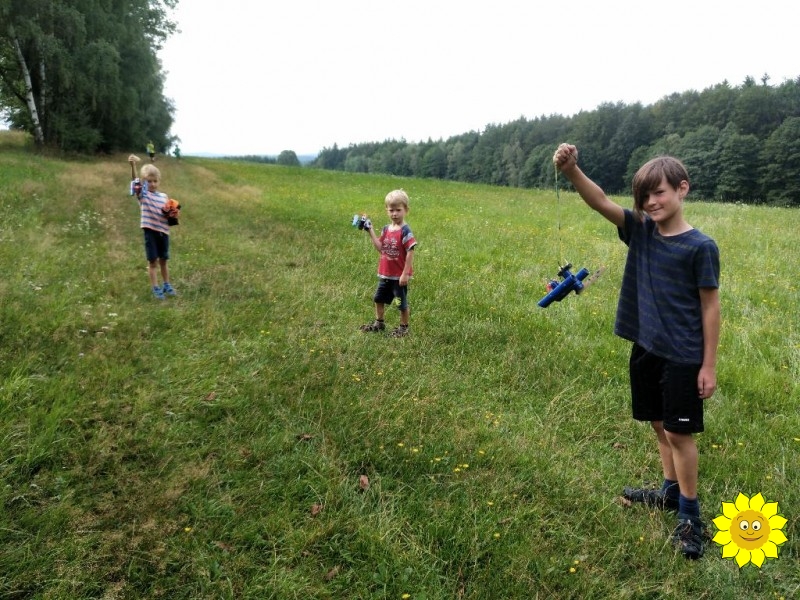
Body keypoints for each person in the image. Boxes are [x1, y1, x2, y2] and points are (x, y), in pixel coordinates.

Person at [553, 143, 720, 560]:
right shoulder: (642, 231)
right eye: (644, 196)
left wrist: (708, 365)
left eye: (659, 192)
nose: (651, 202)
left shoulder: (701, 247)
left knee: (679, 433)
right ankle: (669, 491)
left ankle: (690, 515)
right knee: (659, 424)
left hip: (683, 355)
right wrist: (572, 171)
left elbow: (710, 307)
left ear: (682, 189)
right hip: (646, 347)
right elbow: (600, 201)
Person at [359, 189, 417, 337]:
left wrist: (405, 274)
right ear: (387, 210)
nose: (394, 214)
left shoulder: (405, 231)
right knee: (378, 299)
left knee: (400, 303)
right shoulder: (386, 229)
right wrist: (371, 231)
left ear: (406, 210)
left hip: (398, 278)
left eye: (398, 210)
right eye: (391, 210)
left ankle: (404, 328)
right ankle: (379, 323)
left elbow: (411, 251)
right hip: (385, 275)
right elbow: (381, 249)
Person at [128, 155, 178, 299]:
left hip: (164, 232)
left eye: (155, 181)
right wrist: (133, 166)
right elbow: (135, 181)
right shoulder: (143, 195)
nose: (153, 184)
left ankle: (166, 284)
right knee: (153, 262)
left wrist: (173, 214)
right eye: (149, 181)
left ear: (159, 181)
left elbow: (170, 214)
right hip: (150, 232)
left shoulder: (164, 196)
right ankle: (156, 287)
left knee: (164, 260)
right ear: (144, 182)